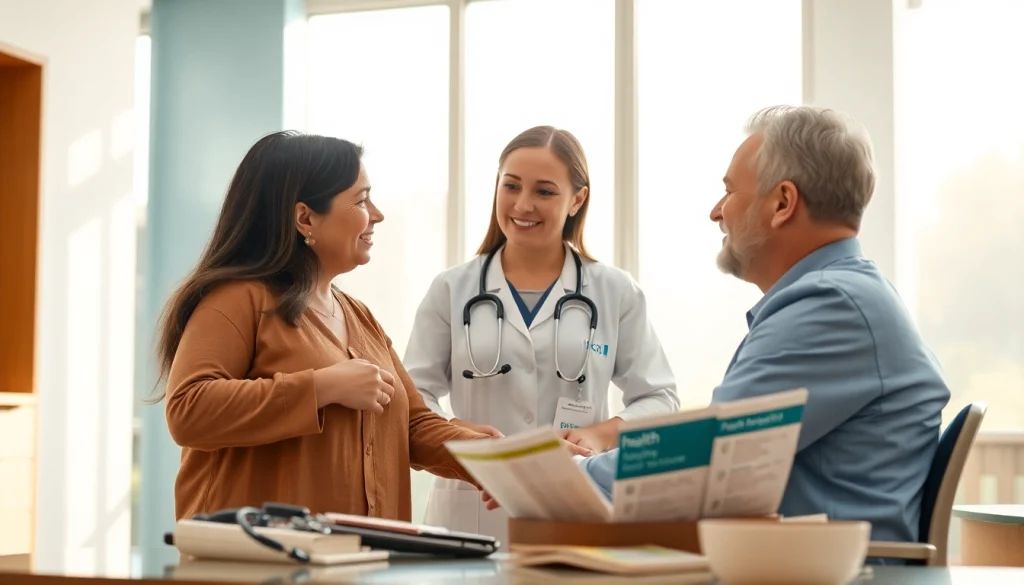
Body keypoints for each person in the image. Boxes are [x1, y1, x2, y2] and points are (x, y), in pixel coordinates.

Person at [576, 106, 951, 555]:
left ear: (782, 203)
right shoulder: (844, 298)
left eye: (730, 191)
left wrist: (566, 477)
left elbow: (707, 457)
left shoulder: (831, 307)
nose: (716, 212)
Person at [157, 131, 491, 522]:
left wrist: (495, 459)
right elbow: (188, 409)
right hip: (257, 565)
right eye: (362, 200)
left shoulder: (359, 316)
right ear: (305, 217)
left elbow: (412, 424)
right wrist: (322, 387)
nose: (377, 215)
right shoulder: (237, 299)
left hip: (358, 563)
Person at [403, 125, 680, 543]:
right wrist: (456, 431)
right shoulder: (451, 289)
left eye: (545, 191)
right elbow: (413, 398)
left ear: (578, 199)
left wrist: (598, 435)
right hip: (472, 506)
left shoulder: (614, 290)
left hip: (574, 499)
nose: (523, 204)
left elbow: (660, 397)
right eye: (511, 186)